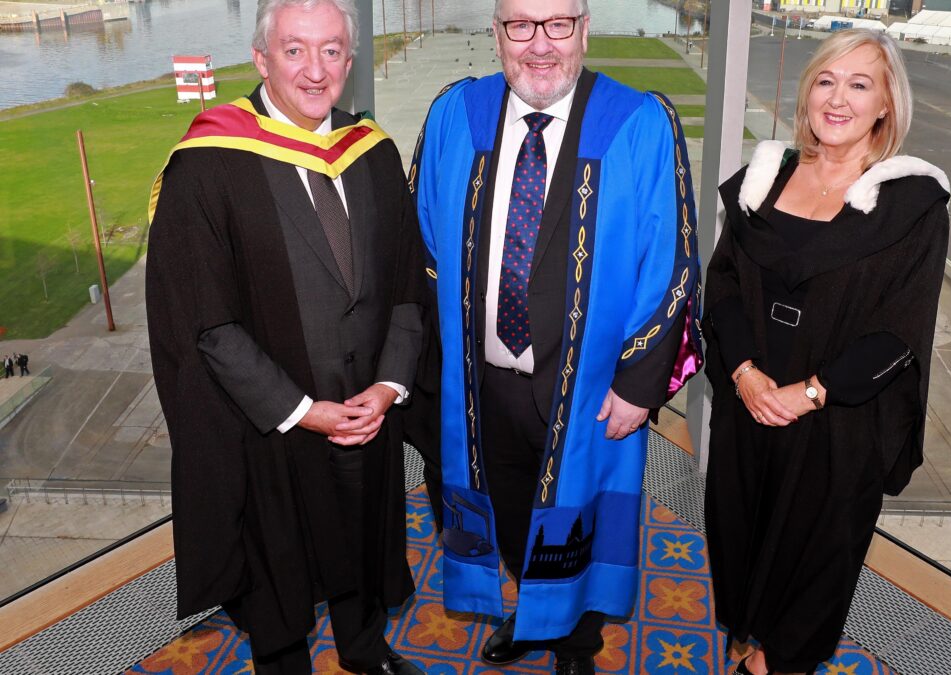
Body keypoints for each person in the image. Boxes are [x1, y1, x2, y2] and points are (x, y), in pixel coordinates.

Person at [410, 0, 702, 672]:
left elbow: (671, 265)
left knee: (580, 515)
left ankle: (575, 638)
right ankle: (533, 611)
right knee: (506, 509)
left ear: (584, 28)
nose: (539, 45)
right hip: (480, 384)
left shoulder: (638, 123)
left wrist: (639, 384)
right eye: (520, 24)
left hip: (592, 390)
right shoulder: (456, 113)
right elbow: (422, 243)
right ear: (497, 32)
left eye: (558, 24)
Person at [145, 1, 426, 673]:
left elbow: (408, 285)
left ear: (350, 65)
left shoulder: (374, 152)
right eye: (294, 50)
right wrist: (301, 410)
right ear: (261, 58)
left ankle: (364, 647)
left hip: (365, 413)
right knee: (277, 565)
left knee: (361, 537)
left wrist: (388, 385)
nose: (314, 69)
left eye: (332, 51)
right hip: (270, 425)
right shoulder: (209, 164)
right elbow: (205, 321)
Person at [702, 29, 950, 675]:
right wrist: (745, 371)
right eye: (826, 81)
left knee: (804, 601)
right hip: (749, 414)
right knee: (741, 555)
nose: (838, 99)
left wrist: (810, 391)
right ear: (807, 92)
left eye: (859, 84)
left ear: (886, 104)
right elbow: (723, 283)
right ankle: (746, 644)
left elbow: (900, 328)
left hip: (835, 433)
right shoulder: (765, 179)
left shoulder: (911, 205)